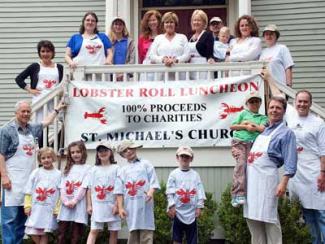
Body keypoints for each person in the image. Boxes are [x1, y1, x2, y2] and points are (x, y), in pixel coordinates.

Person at [0, 99, 65, 244]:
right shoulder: (6, 130)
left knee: (23, 219)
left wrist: (57, 109)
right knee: (9, 220)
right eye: (23, 111)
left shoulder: (32, 129)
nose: (26, 114)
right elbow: (1, 155)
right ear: (16, 113)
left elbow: (46, 122)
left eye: (28, 111)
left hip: (29, 182)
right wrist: (4, 176)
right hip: (12, 181)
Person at [244, 96, 297, 244]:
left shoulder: (287, 133)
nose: (274, 110)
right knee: (253, 220)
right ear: (267, 110)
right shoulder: (262, 131)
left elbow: (291, 160)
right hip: (252, 183)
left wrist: (283, 183)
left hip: (267, 181)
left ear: (284, 111)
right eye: (272, 107)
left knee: (270, 219)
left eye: (278, 108)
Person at [284, 90, 325, 244]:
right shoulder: (291, 115)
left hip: (315, 171)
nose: (302, 104)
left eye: (305, 101)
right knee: (307, 212)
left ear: (310, 103)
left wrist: (323, 173)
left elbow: (323, 150)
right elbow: (278, 94)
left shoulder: (318, 122)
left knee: (321, 212)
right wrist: (268, 78)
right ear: (295, 102)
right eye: (299, 101)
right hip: (298, 173)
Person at [115, 140, 160, 244]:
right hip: (131, 207)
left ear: (135, 148)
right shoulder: (122, 170)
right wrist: (121, 208)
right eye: (125, 150)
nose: (129, 151)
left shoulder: (146, 164)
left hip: (145, 205)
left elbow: (154, 182)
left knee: (146, 234)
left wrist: (151, 192)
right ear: (122, 155)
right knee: (133, 233)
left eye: (130, 148)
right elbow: (119, 191)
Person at [230, 92, 268, 207]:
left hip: (254, 146)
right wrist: (245, 126)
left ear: (260, 103)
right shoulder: (243, 113)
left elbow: (262, 129)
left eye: (256, 101)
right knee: (241, 165)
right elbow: (232, 126)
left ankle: (251, 193)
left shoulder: (263, 117)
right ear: (247, 104)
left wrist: (250, 123)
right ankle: (237, 194)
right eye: (251, 101)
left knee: (252, 169)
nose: (254, 103)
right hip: (239, 143)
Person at [15, 40, 64, 122]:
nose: (45, 54)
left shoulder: (59, 67)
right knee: (40, 126)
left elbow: (64, 83)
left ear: (52, 53)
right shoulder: (35, 66)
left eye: (48, 51)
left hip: (54, 101)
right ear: (39, 53)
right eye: (43, 51)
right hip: (39, 100)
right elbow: (19, 79)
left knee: (58, 124)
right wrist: (30, 90)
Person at [166, 146, 206, 244]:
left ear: (191, 159)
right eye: (182, 156)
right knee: (176, 239)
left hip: (192, 213)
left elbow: (200, 191)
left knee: (192, 240)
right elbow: (170, 192)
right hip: (177, 212)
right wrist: (171, 205)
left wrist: (199, 207)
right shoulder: (173, 174)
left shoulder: (195, 175)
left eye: (187, 156)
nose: (184, 158)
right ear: (177, 158)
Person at [85, 142, 121, 244]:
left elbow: (120, 189)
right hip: (97, 206)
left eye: (105, 150)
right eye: (100, 151)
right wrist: (89, 205)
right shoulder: (93, 170)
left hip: (112, 205)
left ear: (110, 152)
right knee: (93, 231)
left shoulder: (117, 168)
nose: (103, 153)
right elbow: (89, 188)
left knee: (113, 232)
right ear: (97, 154)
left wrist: (117, 205)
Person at [24, 147, 61, 244]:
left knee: (45, 232)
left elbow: (61, 193)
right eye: (43, 158)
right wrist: (27, 205)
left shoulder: (58, 174)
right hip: (36, 208)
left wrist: (57, 208)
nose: (46, 160)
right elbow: (28, 190)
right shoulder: (36, 172)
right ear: (40, 160)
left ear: (53, 158)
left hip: (49, 209)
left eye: (49, 157)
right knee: (32, 231)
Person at [57, 141, 91, 244]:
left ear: (83, 152)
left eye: (78, 151)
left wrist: (75, 200)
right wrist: (66, 201)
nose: (75, 154)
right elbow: (62, 187)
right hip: (65, 205)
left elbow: (84, 187)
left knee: (76, 235)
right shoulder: (67, 168)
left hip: (79, 205)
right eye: (72, 152)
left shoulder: (88, 168)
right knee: (61, 233)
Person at [148, 12, 190, 81]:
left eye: (171, 22)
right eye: (166, 22)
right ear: (163, 24)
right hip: (162, 76)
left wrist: (176, 60)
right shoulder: (158, 38)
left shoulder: (182, 37)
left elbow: (187, 55)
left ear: (175, 24)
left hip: (179, 76)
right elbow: (152, 55)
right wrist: (163, 59)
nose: (169, 24)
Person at [188, 9, 214, 80]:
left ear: (204, 22)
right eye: (194, 20)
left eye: (199, 20)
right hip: (191, 66)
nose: (196, 22)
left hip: (203, 66)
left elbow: (210, 52)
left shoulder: (208, 35)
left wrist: (210, 58)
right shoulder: (190, 37)